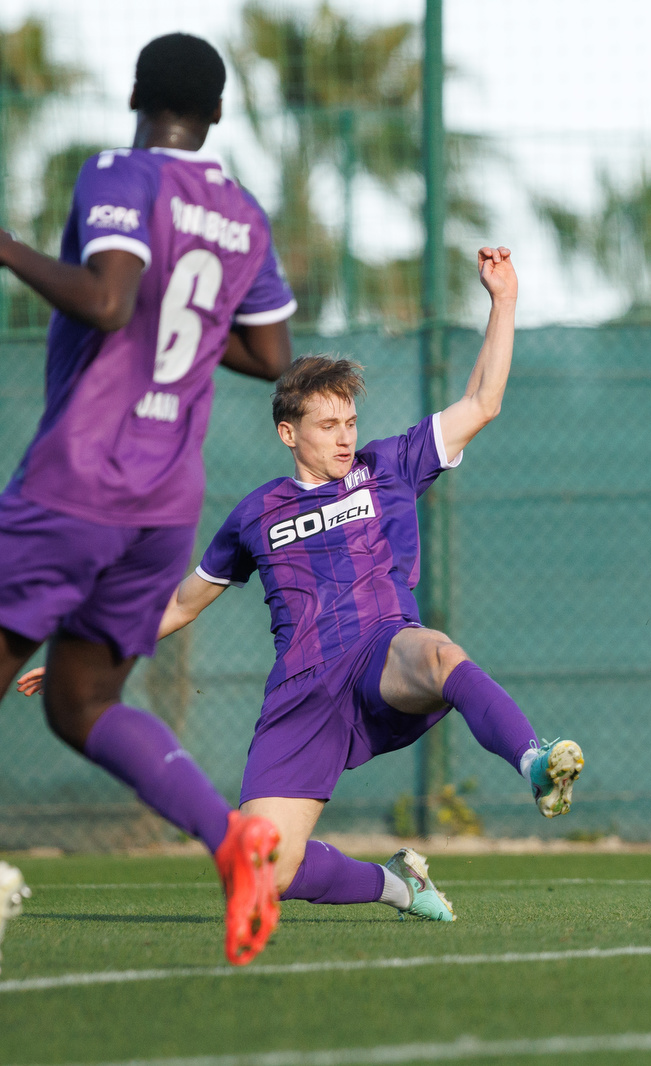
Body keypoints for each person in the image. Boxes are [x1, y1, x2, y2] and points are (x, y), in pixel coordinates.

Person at [28, 247, 582, 922]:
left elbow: (483, 401)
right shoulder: (255, 514)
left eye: (350, 422)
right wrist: (87, 650)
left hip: (383, 651)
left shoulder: (392, 465)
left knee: (438, 653)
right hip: (302, 690)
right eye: (328, 425)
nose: (346, 437)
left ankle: (533, 759)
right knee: (269, 868)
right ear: (290, 433)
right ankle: (399, 885)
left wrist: (503, 300)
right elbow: (181, 602)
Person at [0, 33, 295, 965]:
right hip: (164, 506)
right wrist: (199, 334)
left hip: (79, 480)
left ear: (136, 95)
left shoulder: (118, 173)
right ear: (214, 117)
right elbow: (274, 356)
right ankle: (231, 838)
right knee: (81, 703)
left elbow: (107, 301)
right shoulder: (242, 212)